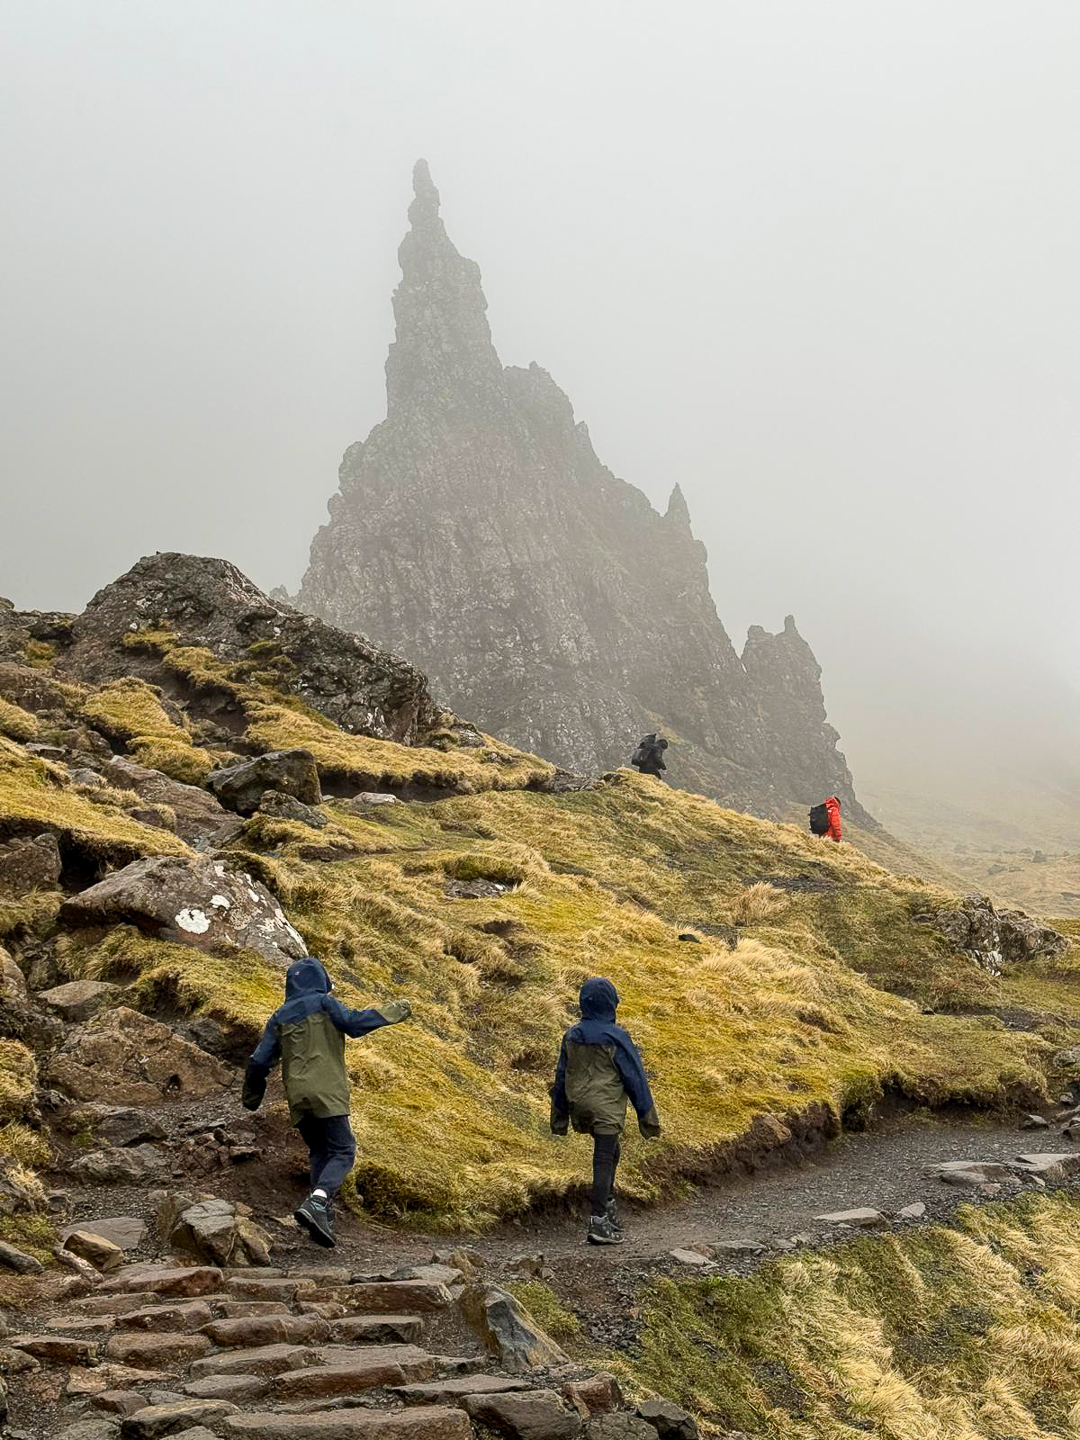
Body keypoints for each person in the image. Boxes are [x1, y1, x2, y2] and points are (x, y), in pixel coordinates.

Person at [241, 956, 412, 1248]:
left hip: (298, 1097)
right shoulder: (325, 1003)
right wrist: (394, 1011)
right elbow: (354, 1024)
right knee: (343, 1150)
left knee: (320, 1151)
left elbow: (258, 1061)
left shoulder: (279, 1016)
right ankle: (319, 1202)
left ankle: (320, 1219)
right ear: (320, 980)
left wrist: (252, 1097)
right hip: (327, 1092)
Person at [550, 977, 661, 1246]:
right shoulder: (617, 1037)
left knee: (612, 1151)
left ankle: (608, 1206)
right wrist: (647, 1117)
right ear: (612, 1003)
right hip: (606, 1107)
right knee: (603, 1157)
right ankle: (599, 1221)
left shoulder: (572, 1035)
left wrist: (559, 1116)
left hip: (580, 1104)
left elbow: (561, 1075)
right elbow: (635, 1077)